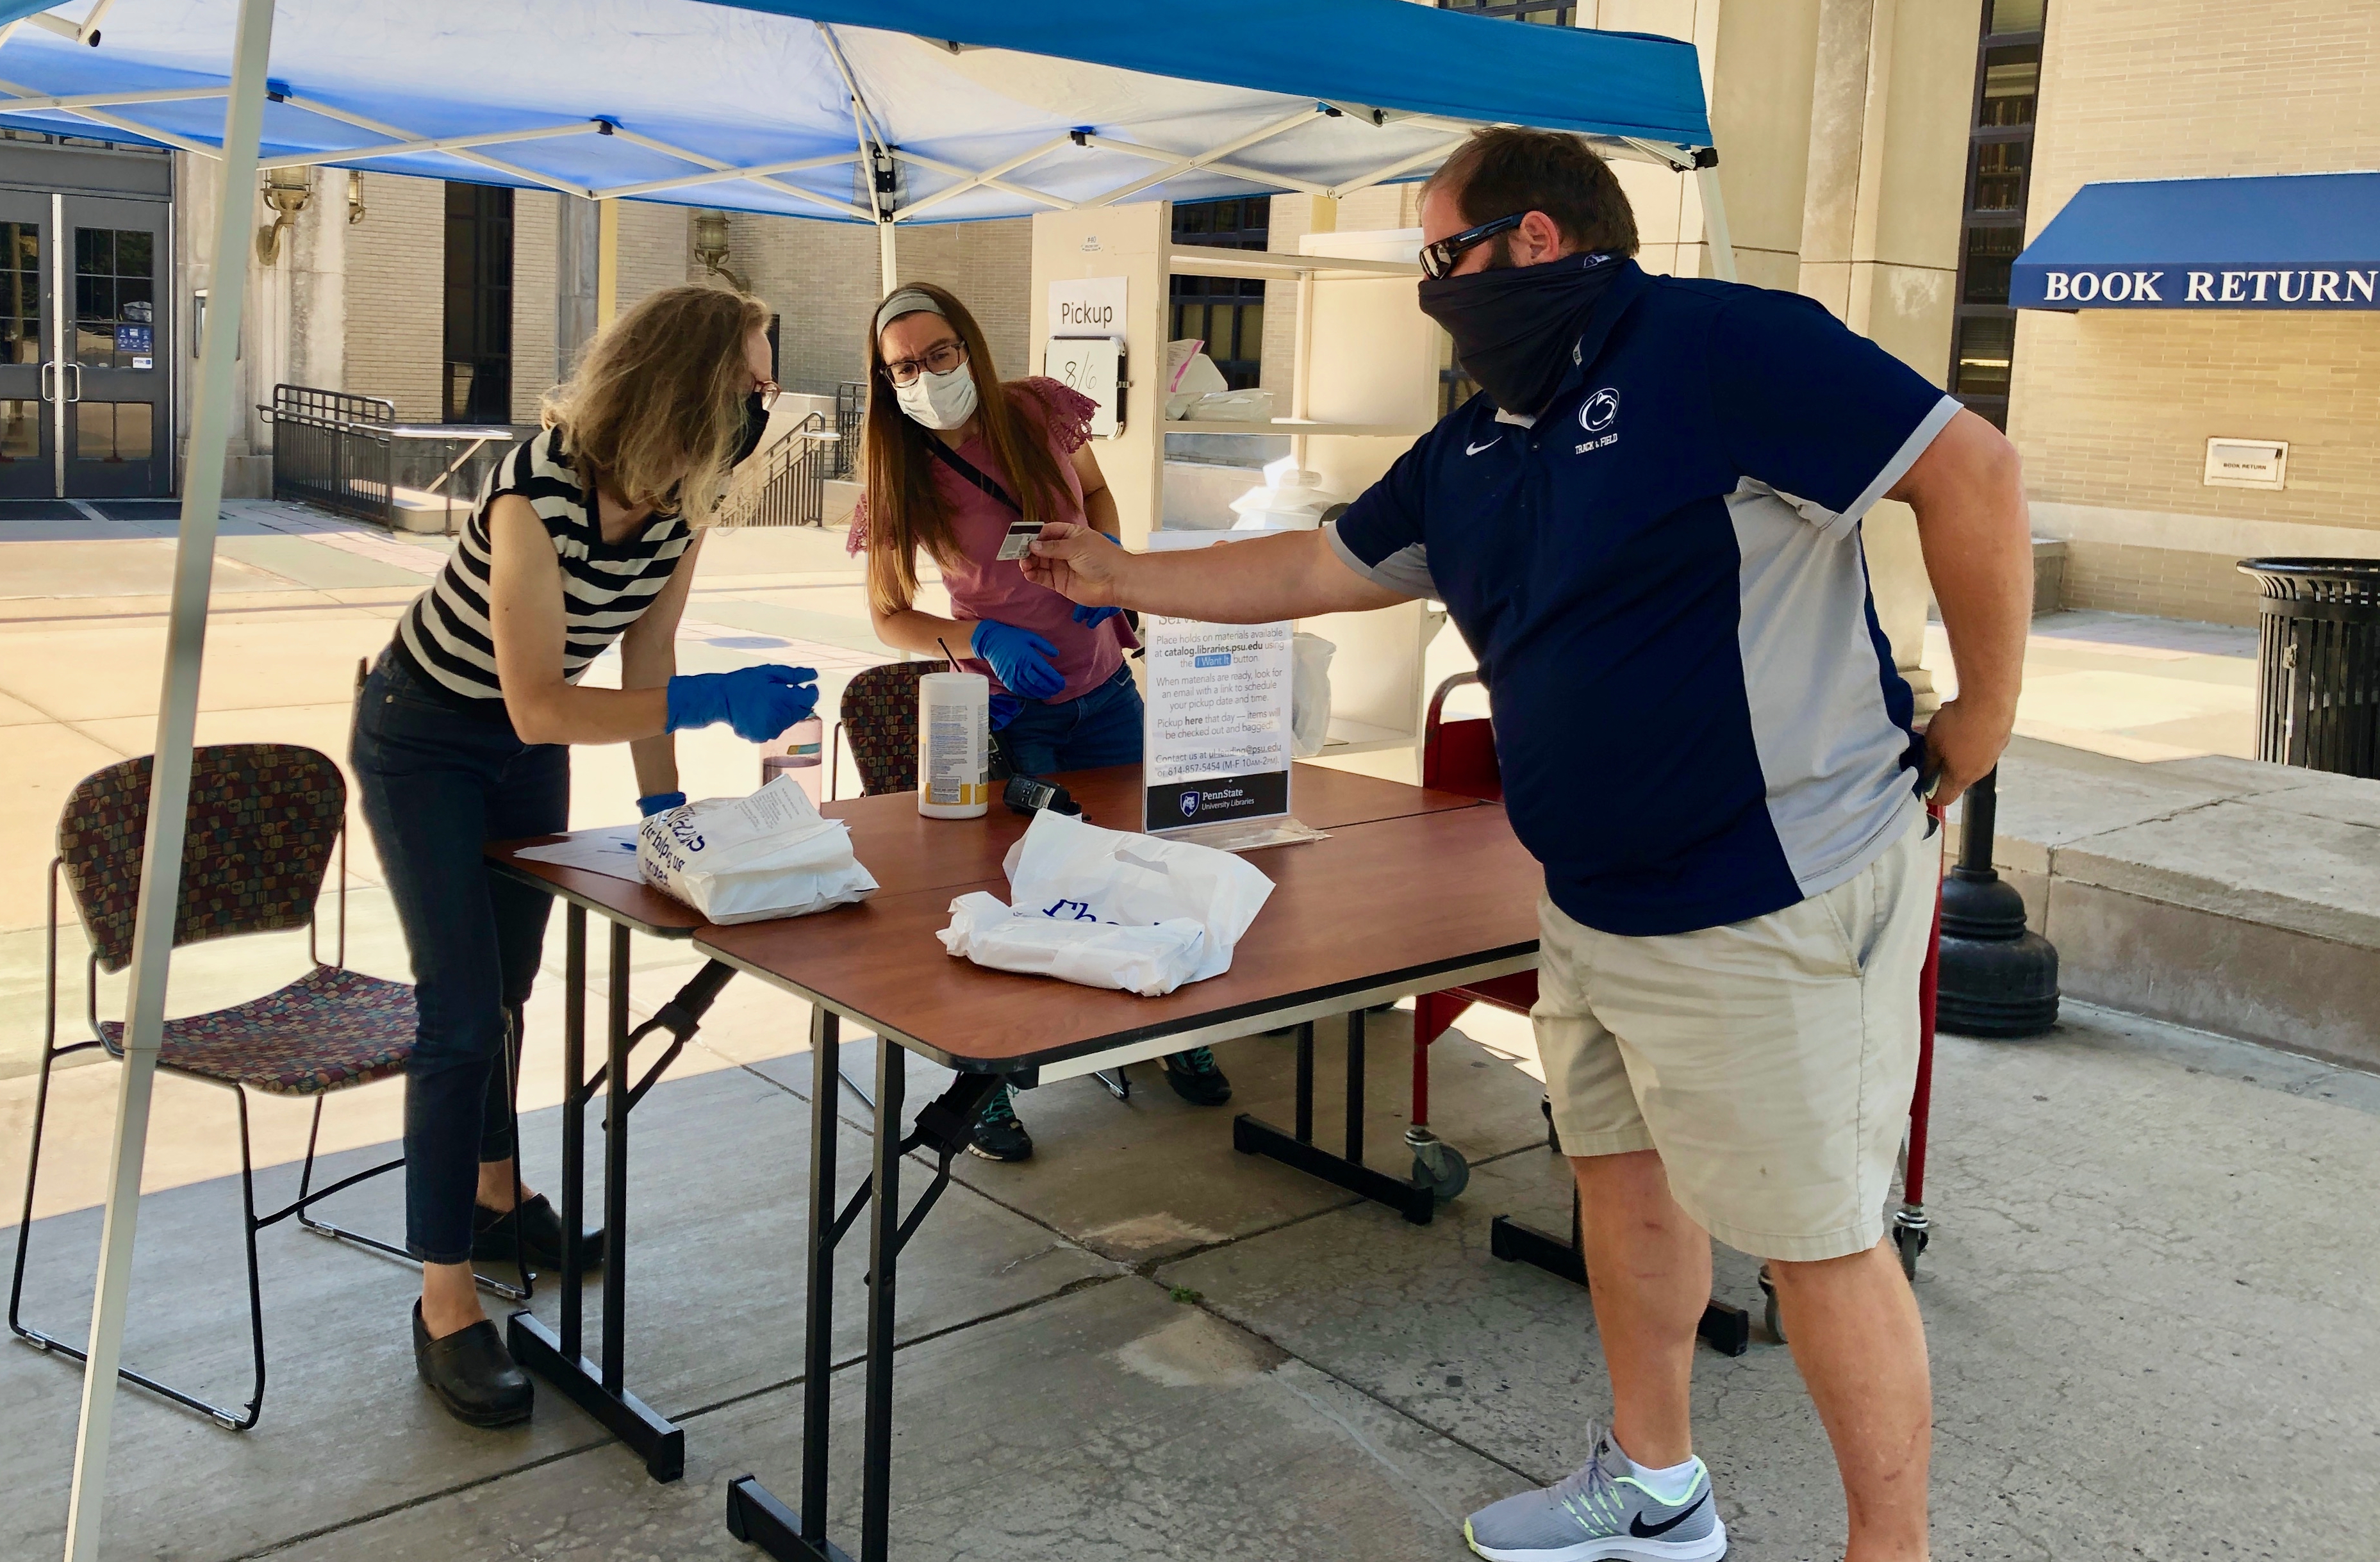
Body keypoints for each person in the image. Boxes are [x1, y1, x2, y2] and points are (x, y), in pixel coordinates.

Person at [1023, 126, 2029, 1562]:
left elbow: (1969, 468)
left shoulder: (1714, 343)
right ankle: (1656, 1482)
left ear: (1535, 241)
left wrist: (1981, 715)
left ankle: (1891, 1546)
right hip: (1592, 897)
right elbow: (1321, 563)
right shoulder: (1475, 440)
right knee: (1618, 1181)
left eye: (1442, 253)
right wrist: (1122, 573)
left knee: (1816, 1240)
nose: (1433, 288)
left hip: (1771, 888)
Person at [351, 285, 819, 1429]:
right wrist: (715, 702)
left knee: (508, 997)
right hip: (428, 738)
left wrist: (665, 813)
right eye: (753, 382)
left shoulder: (683, 501)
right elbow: (537, 700)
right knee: (457, 1016)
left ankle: (500, 1200)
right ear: (685, 383)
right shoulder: (533, 494)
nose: (766, 400)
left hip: (522, 754)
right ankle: (447, 1302)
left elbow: (646, 662)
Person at [848, 281, 1232, 1161]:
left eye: (940, 353)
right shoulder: (896, 469)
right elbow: (890, 616)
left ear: (970, 344)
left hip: (1104, 689)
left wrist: (1115, 575)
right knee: (1014, 892)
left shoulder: (1035, 410)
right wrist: (976, 633)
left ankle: (1176, 1027)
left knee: (1149, 859)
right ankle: (986, 1084)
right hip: (1012, 710)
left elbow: (1096, 495)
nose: (927, 374)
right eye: (903, 365)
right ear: (884, 378)